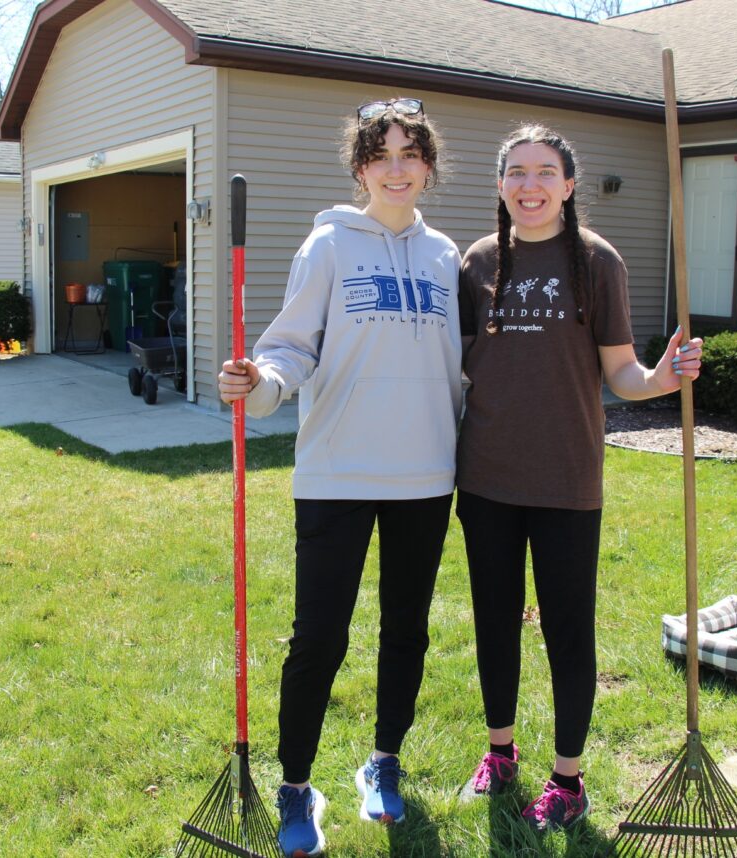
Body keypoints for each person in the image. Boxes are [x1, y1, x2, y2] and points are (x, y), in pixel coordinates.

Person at [218, 98, 462, 856]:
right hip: (337, 474)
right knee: (318, 639)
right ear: (360, 168)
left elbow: (466, 365)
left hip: (426, 475)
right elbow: (290, 347)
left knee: (407, 632)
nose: (397, 168)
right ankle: (297, 786)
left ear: (427, 167)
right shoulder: (326, 247)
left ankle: (383, 762)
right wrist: (257, 384)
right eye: (381, 155)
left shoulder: (447, 257)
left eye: (410, 154)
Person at [454, 125, 703, 832]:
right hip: (486, 476)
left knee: (568, 628)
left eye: (545, 172)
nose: (529, 186)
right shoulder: (476, 262)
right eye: (516, 173)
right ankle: (500, 751)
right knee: (493, 621)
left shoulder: (597, 261)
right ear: (501, 184)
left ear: (568, 184)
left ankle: (568, 778)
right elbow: (462, 364)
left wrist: (661, 378)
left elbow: (620, 370)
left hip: (567, 477)